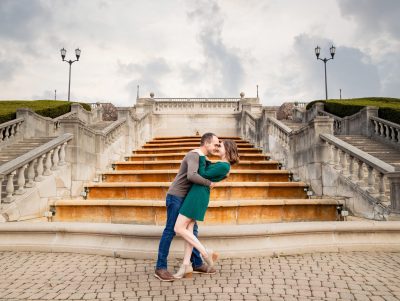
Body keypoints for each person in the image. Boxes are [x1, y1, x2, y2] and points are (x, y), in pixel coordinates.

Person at [154, 133, 221, 282]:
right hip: (176, 196)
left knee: (193, 230)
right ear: (206, 143)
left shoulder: (203, 158)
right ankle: (160, 267)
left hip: (188, 198)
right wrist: (208, 183)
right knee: (170, 230)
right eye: (216, 144)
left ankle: (196, 263)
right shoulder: (194, 155)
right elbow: (191, 175)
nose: (217, 147)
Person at [172, 140, 240, 279]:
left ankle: (205, 252)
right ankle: (186, 265)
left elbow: (201, 173)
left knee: (178, 228)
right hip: (196, 193)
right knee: (188, 230)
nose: (216, 147)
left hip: (197, 196)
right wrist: (204, 157)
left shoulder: (223, 166)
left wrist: (201, 155)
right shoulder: (222, 165)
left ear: (227, 149)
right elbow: (208, 171)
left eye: (219, 146)